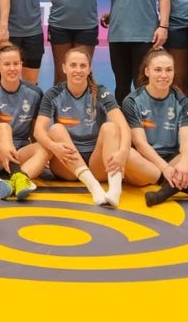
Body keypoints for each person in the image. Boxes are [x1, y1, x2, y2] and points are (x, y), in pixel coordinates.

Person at [121, 48, 188, 206]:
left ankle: (163, 192)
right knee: (126, 154)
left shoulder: (182, 102)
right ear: (147, 71)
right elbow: (140, 144)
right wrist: (165, 168)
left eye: (169, 70)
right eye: (158, 70)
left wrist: (184, 163)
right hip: (146, 163)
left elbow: (187, 140)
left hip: (173, 159)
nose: (164, 75)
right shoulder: (132, 101)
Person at [33, 46, 131, 207]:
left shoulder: (100, 92)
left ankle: (115, 190)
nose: (78, 70)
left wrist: (123, 152)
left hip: (96, 163)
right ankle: (94, 187)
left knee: (111, 128)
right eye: (73, 65)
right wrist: (53, 147)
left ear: (89, 68)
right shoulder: (54, 94)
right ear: (64, 68)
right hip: (67, 164)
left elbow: (123, 126)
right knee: (56, 130)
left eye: (83, 66)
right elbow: (38, 131)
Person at [0, 44, 46, 201]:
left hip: (19, 153)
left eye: (16, 63)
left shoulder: (35, 93)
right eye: (7, 64)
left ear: (21, 65)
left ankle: (14, 181)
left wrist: (41, 157)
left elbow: (35, 131)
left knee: (45, 147)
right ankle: (18, 175)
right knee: (3, 127)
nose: (12, 68)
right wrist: (1, 149)